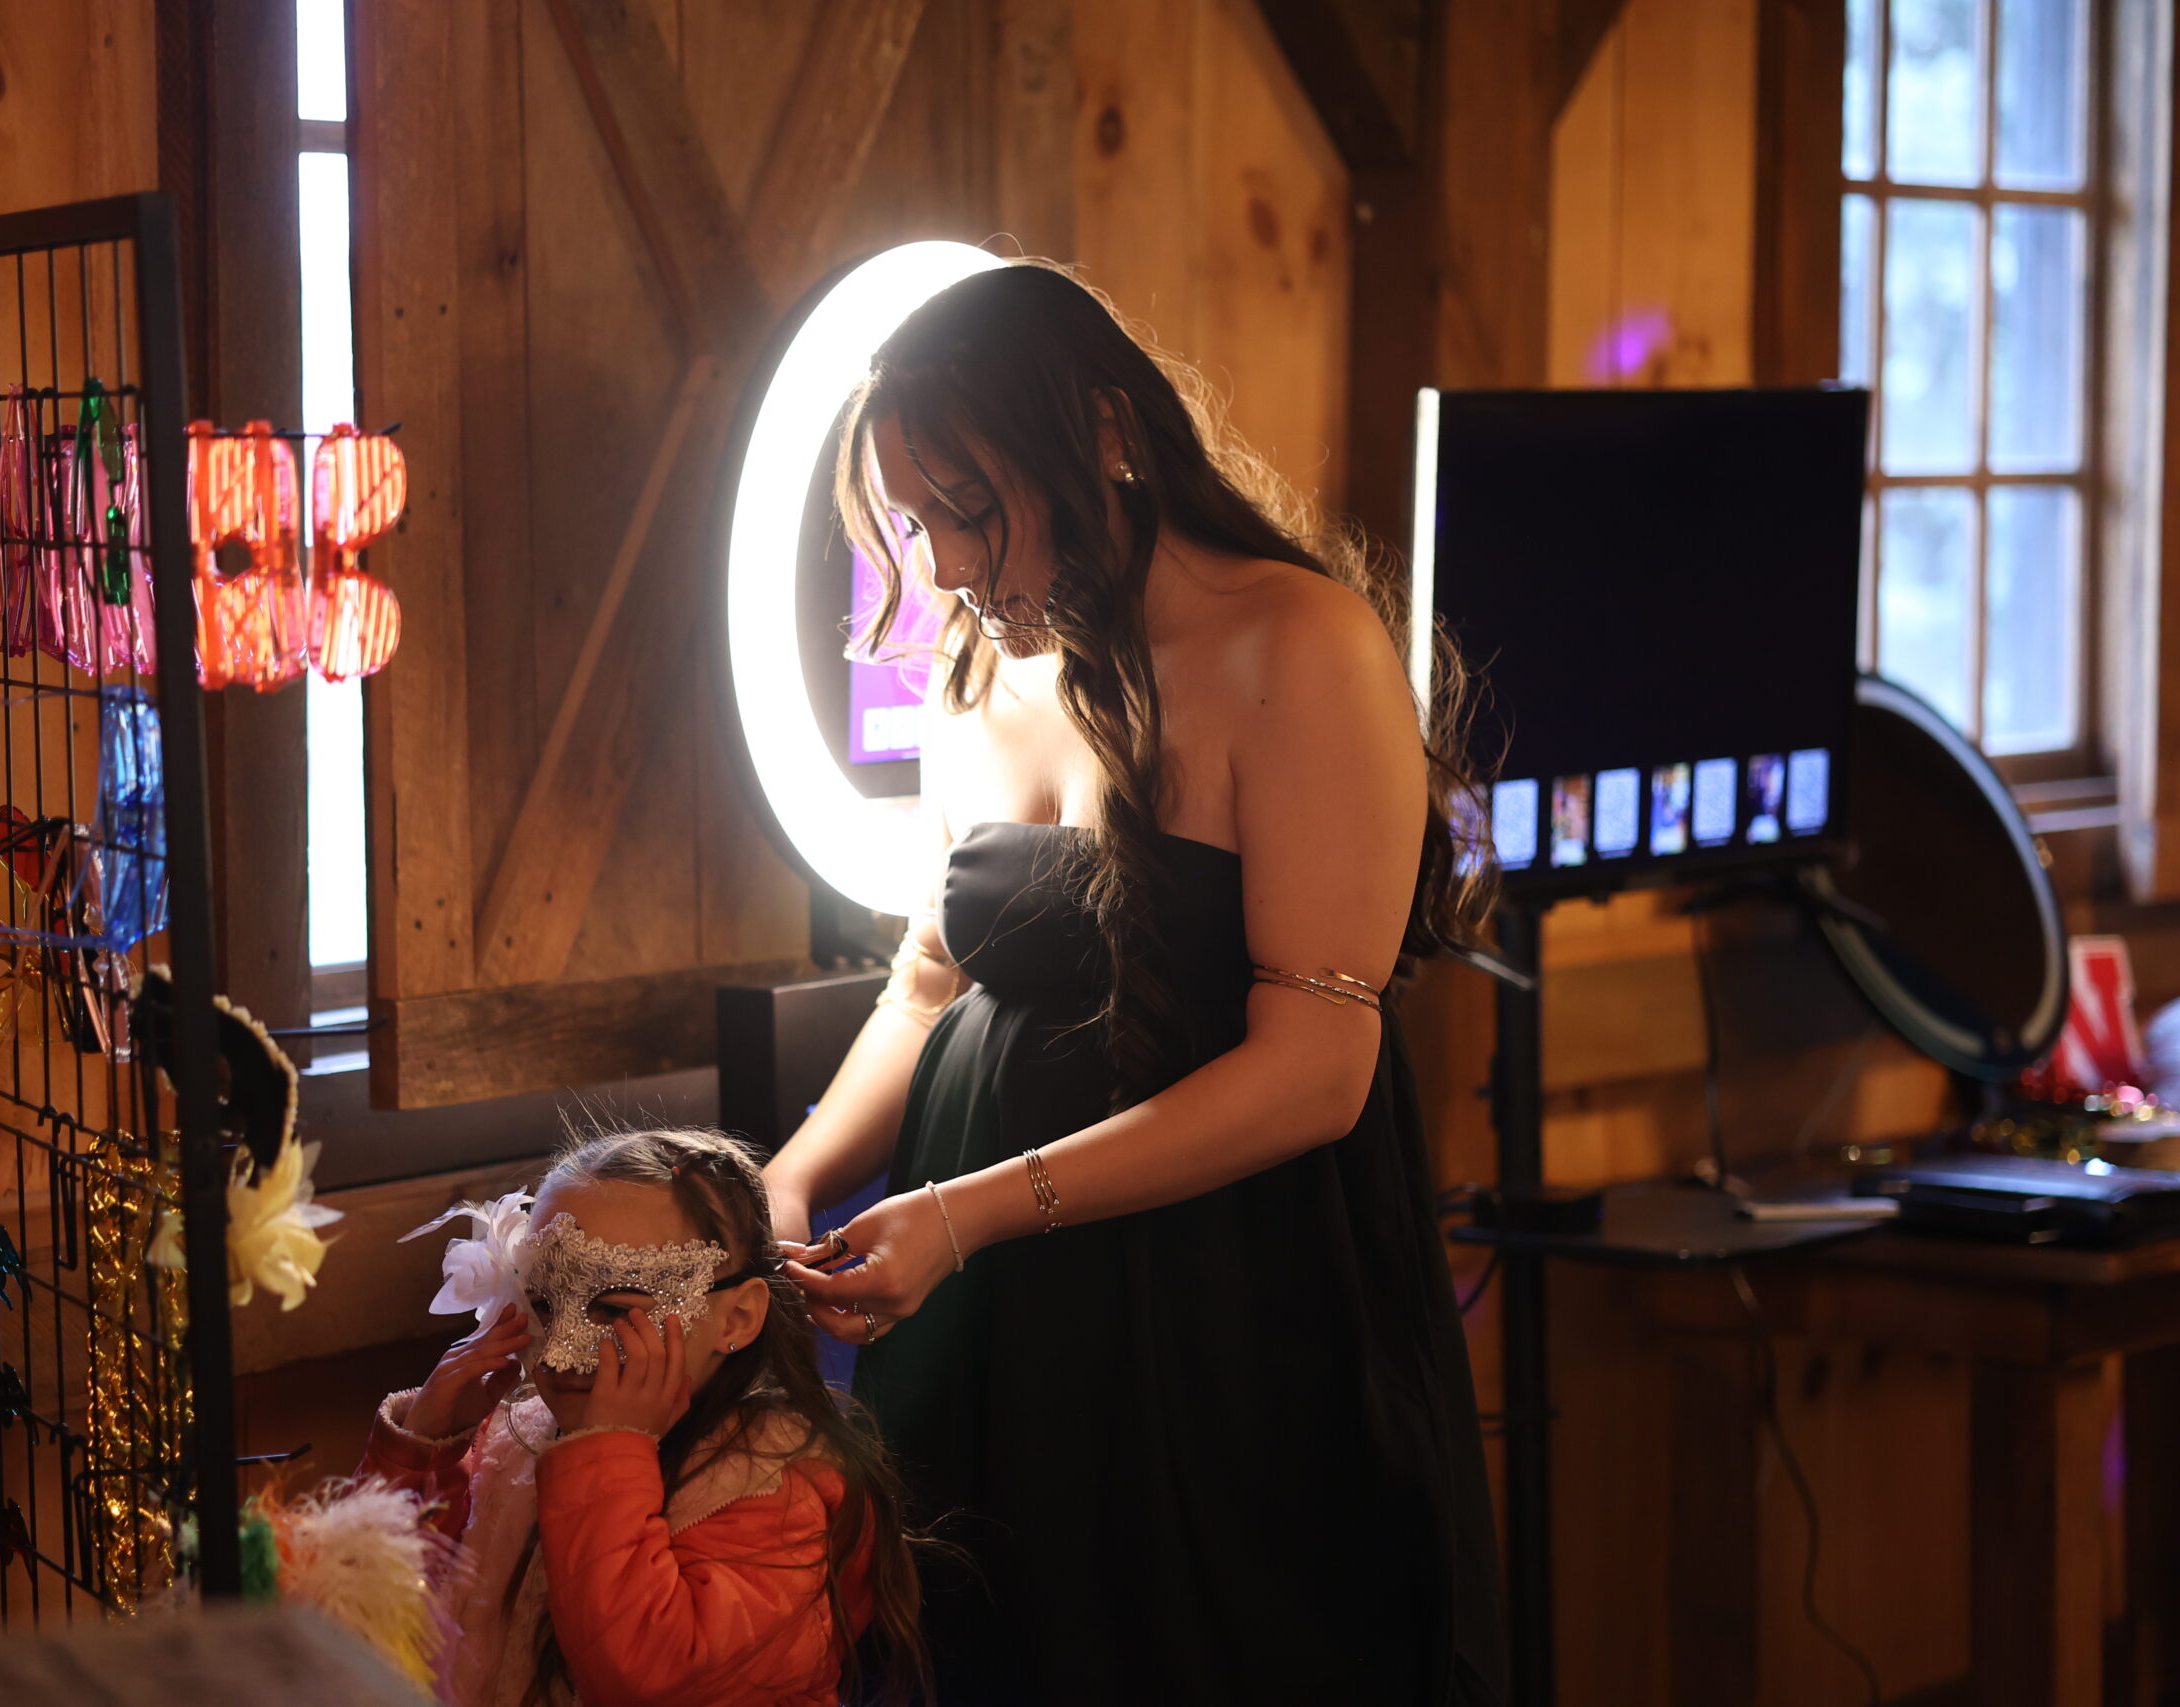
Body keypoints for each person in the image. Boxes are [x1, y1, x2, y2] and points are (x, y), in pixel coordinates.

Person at [761, 261, 1507, 1704]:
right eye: (920, 526)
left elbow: (1316, 1065)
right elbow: (925, 985)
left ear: (1106, 431)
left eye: (970, 510)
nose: (955, 567)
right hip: (986, 1307)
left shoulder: (1299, 646)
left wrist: (967, 1214)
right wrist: (789, 1180)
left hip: (1226, 1304)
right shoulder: (976, 676)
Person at [360, 1129, 931, 1707]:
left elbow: (646, 1679)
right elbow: (377, 1621)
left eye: (613, 1309)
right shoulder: (511, 1437)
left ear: (736, 1318)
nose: (558, 1351)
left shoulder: (770, 1492)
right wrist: (421, 1454)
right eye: (543, 1300)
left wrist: (605, 1457)